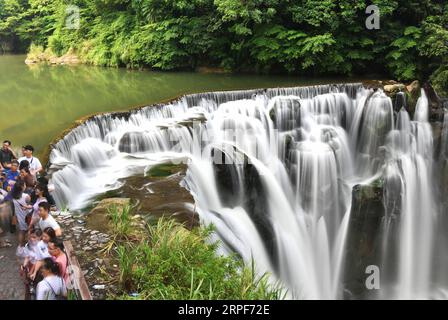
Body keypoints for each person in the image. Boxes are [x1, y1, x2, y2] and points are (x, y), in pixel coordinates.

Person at [11, 180, 32, 246]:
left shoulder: (13, 196)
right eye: (24, 185)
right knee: (29, 230)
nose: (25, 186)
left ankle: (20, 245)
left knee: (22, 231)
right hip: (27, 215)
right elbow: (30, 205)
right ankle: (28, 245)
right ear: (22, 187)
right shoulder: (26, 196)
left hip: (19, 215)